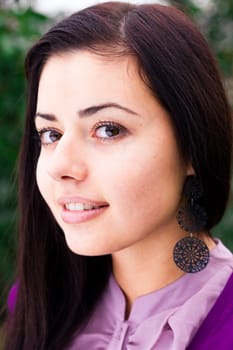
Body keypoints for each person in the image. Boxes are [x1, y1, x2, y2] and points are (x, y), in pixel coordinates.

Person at [5, 1, 233, 349]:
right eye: (51, 134)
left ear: (192, 144)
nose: (60, 166)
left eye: (108, 129)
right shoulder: (38, 304)